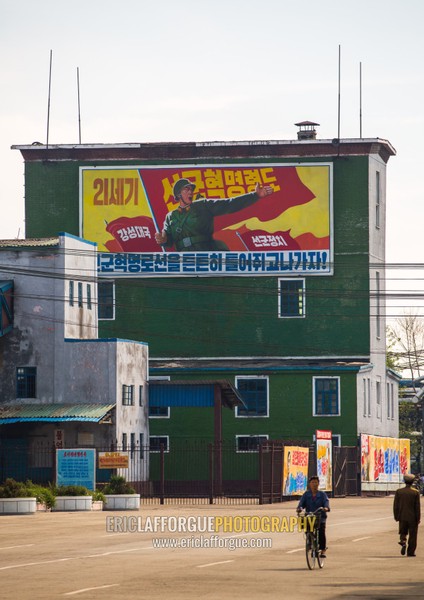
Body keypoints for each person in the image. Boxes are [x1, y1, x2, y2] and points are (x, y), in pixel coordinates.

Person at [154, 178, 274, 251]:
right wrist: (162, 239)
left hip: (206, 253)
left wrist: (254, 195)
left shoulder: (203, 205)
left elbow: (229, 204)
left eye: (191, 189)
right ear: (178, 194)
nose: (190, 192)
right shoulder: (171, 216)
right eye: (186, 189)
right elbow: (167, 239)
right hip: (184, 260)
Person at [296, 475, 330, 557]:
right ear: (309, 484)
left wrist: (325, 508)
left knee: (321, 532)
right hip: (309, 516)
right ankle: (310, 543)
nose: (314, 484)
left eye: (316, 482)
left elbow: (326, 503)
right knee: (307, 529)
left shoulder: (322, 494)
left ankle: (323, 549)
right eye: (312, 482)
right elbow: (301, 504)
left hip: (320, 517)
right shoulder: (306, 495)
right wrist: (299, 508)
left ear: (318, 484)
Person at [393, 473, 421, 557]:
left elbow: (396, 505)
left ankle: (403, 541)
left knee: (403, 531)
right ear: (413, 482)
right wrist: (418, 518)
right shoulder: (415, 492)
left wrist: (396, 516)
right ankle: (411, 552)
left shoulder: (399, 492)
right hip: (412, 517)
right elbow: (417, 507)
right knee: (413, 535)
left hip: (402, 516)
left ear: (404, 481)